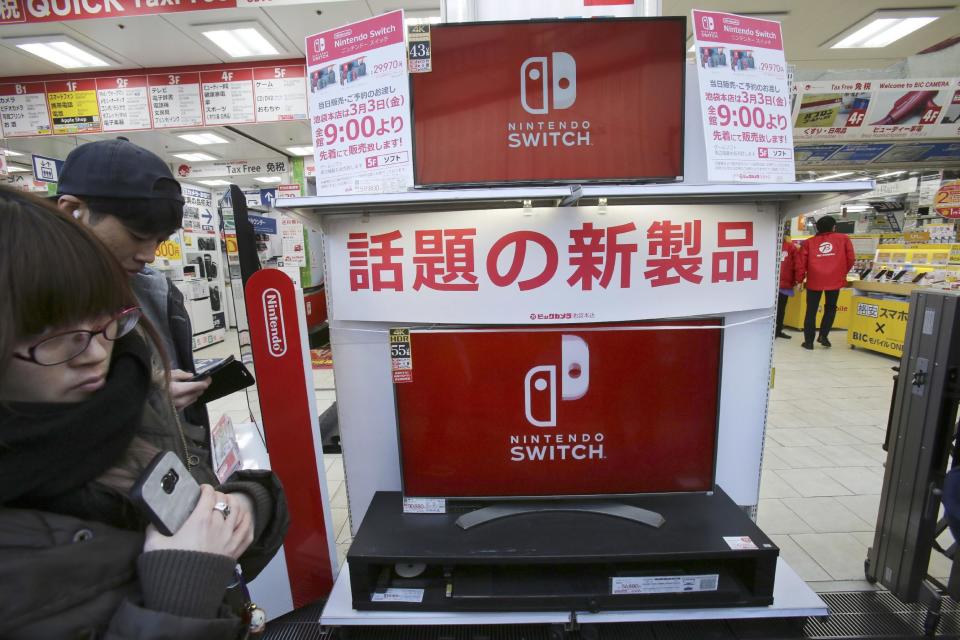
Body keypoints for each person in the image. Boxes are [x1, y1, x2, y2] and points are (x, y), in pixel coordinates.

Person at [0, 188, 287, 638]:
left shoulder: (128, 398)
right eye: (50, 335)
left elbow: (206, 510)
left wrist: (251, 504)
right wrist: (181, 593)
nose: (94, 353)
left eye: (105, 320)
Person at [55, 139, 212, 449]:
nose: (149, 256)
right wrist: (147, 404)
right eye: (138, 236)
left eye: (159, 240)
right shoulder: (19, 300)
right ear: (74, 211)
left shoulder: (154, 291)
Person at [795, 215, 855, 350]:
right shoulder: (844, 239)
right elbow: (851, 258)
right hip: (834, 280)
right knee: (831, 308)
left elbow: (800, 264)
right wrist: (841, 272)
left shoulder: (809, 243)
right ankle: (823, 335)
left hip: (814, 280)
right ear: (834, 227)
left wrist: (799, 280)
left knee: (811, 311)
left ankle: (809, 342)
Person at [776, 229, 799, 339]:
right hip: (785, 283)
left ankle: (772, 331)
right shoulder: (791, 247)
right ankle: (778, 330)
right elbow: (797, 266)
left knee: (771, 309)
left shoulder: (768, 245)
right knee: (781, 308)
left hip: (770, 284)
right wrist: (797, 280)